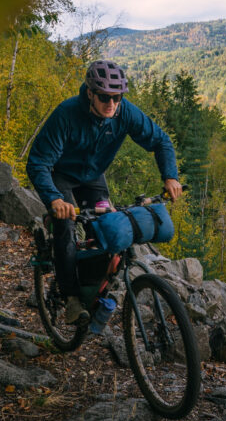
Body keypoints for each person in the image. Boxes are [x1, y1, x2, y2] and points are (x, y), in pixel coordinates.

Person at [26, 60, 182, 324]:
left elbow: (160, 140)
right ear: (90, 93)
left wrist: (170, 176)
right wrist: (54, 199)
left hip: (93, 175)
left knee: (106, 226)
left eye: (117, 97)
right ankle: (72, 298)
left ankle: (91, 286)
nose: (111, 103)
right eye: (104, 97)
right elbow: (38, 163)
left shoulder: (124, 113)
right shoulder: (67, 114)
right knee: (66, 225)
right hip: (60, 173)